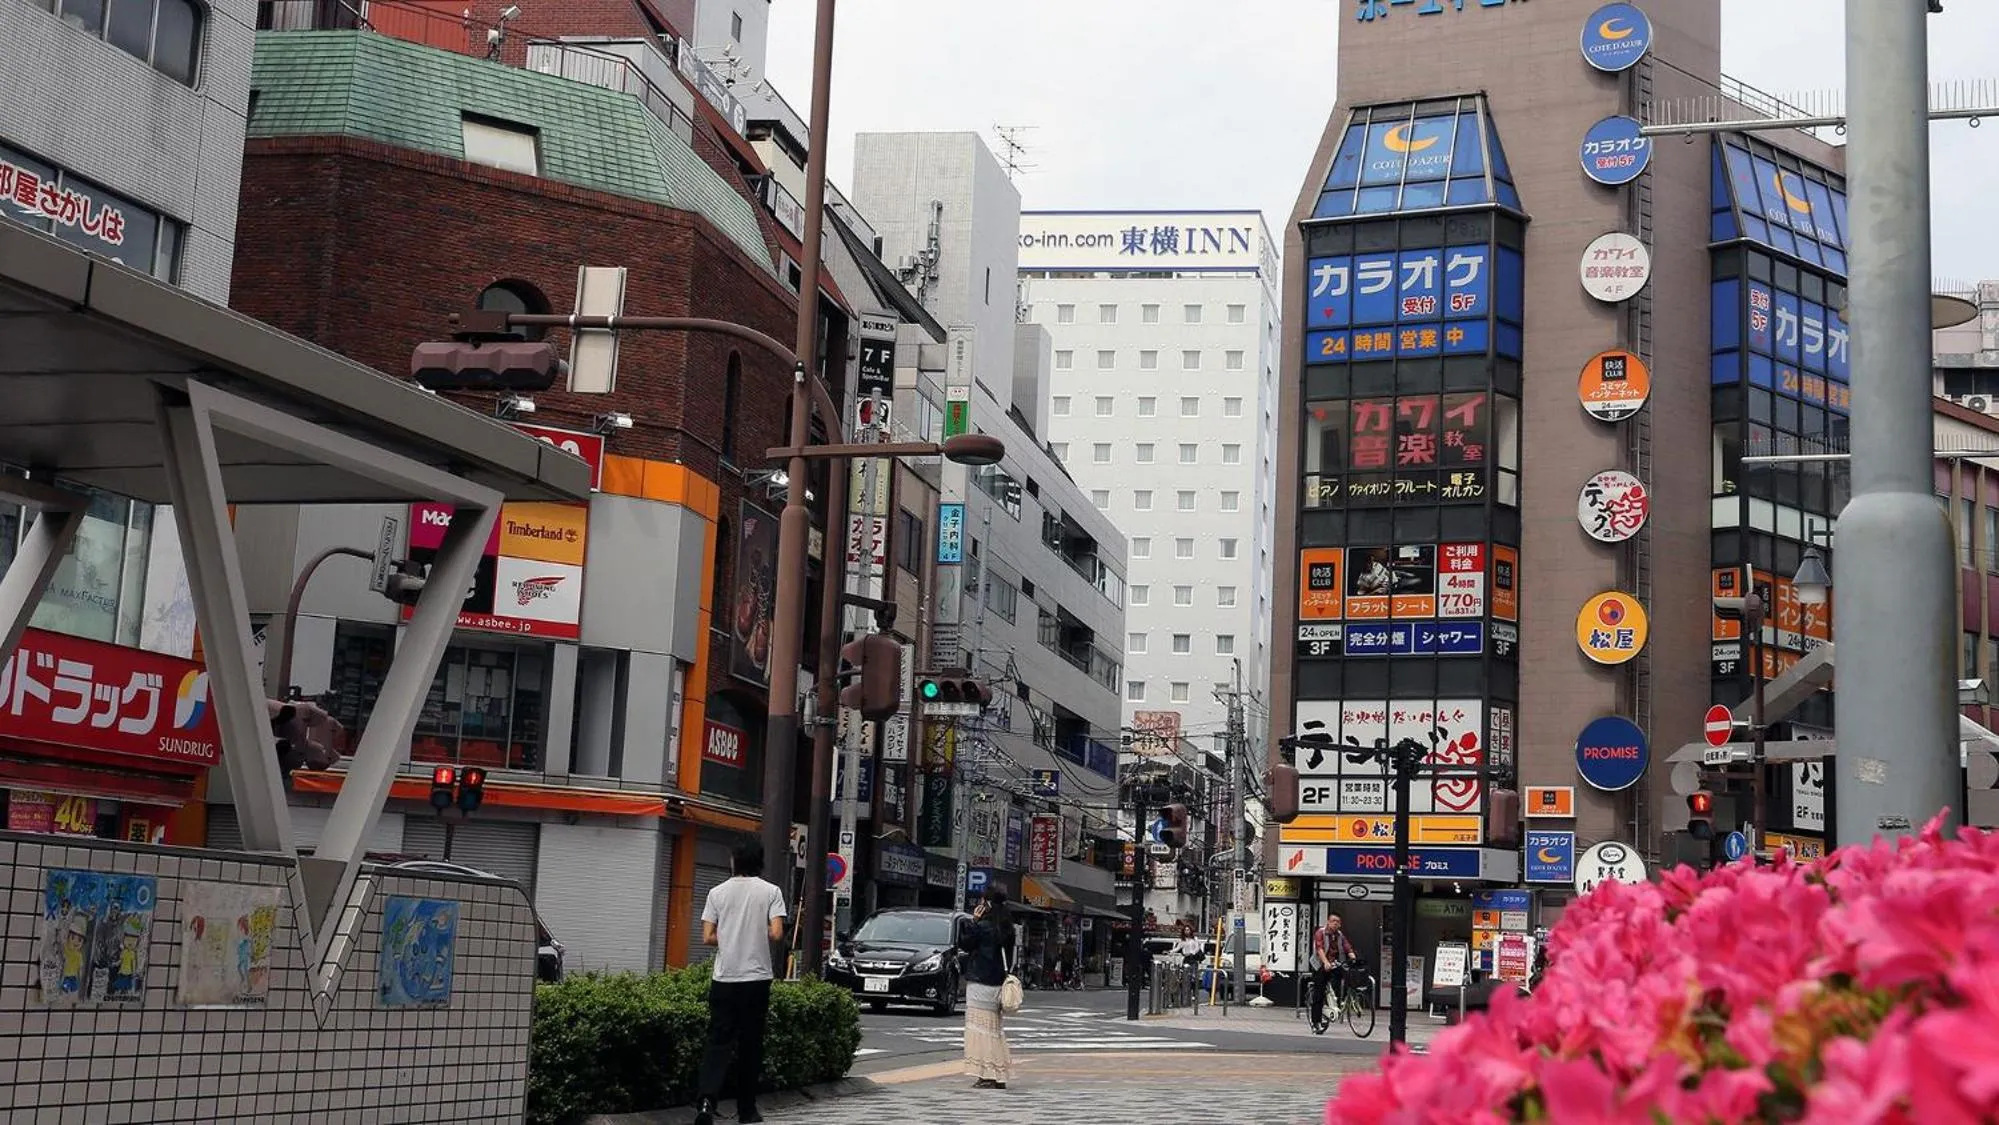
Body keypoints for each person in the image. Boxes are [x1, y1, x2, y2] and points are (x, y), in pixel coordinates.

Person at [693, 840, 788, 1125]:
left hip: (724, 978)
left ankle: (707, 1102)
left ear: (734, 860)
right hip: (756, 979)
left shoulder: (716, 893)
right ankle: (747, 1110)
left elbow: (707, 937)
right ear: (759, 862)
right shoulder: (771, 892)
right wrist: (753, 932)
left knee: (718, 1041)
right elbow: (776, 934)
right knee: (750, 1044)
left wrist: (731, 934)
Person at [957, 887, 1016, 1089]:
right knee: (994, 1030)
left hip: (980, 982)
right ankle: (999, 1074)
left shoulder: (982, 926)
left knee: (979, 1030)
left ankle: (987, 1074)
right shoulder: (1008, 927)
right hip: (997, 983)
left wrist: (973, 920)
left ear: (987, 903)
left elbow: (965, 943)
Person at [1309, 913, 1358, 1029]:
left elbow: (1347, 947)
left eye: (1337, 922)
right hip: (1320, 964)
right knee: (1319, 992)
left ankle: (1337, 1000)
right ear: (1328, 922)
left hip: (1335, 963)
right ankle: (1316, 1022)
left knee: (1346, 975)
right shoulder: (1320, 933)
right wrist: (1325, 962)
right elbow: (1319, 949)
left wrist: (1353, 957)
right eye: (1333, 921)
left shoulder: (1340, 935)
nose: (1335, 923)